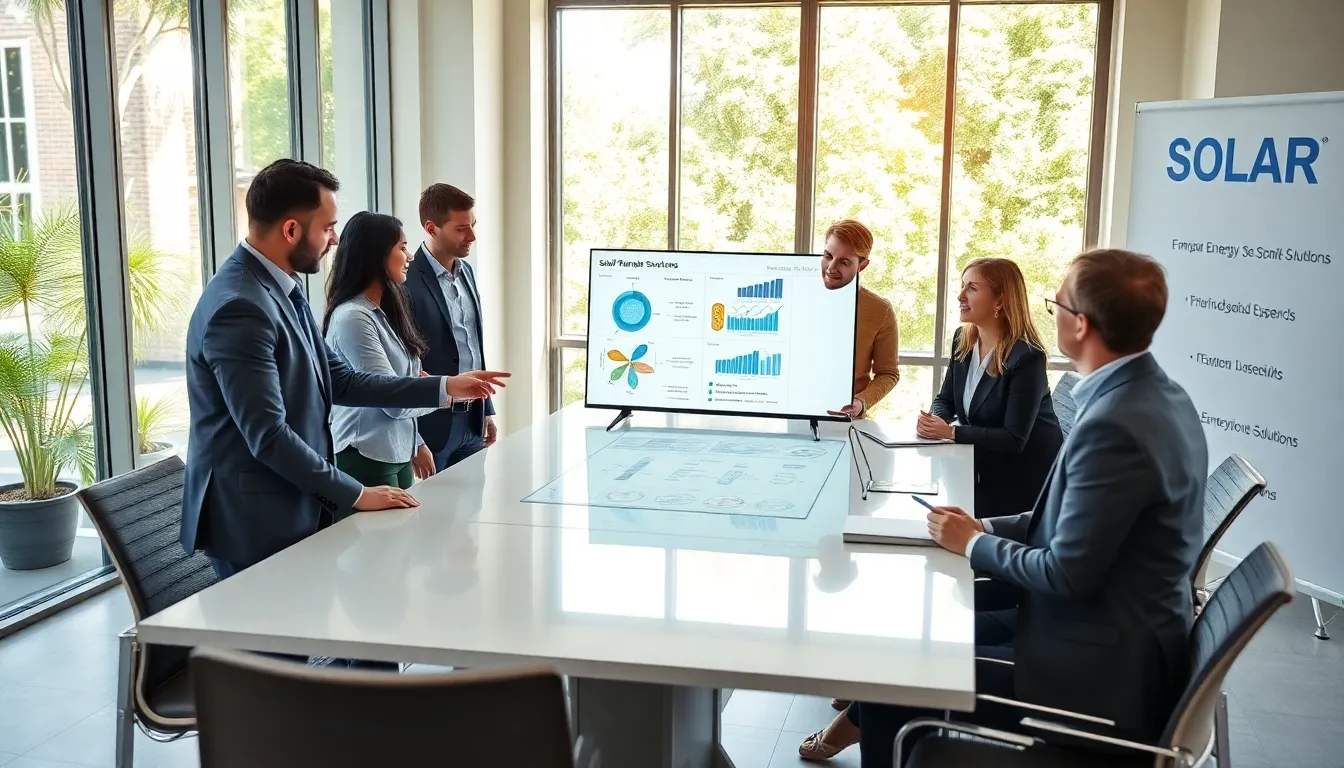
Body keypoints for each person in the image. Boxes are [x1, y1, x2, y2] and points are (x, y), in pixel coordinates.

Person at [801, 248, 1207, 768]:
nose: (1050, 312)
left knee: (893, 672)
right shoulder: (1156, 396)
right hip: (1096, 634)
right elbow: (1062, 528)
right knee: (904, 638)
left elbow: (1065, 573)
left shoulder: (1116, 425)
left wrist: (971, 544)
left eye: (1056, 303)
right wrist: (980, 527)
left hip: (1086, 677)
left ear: (1079, 325)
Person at [180, 159, 509, 583]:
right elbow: (267, 435)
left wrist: (446, 388)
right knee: (277, 649)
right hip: (253, 518)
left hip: (287, 504)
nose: (335, 240)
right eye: (328, 227)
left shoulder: (281, 289)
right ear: (292, 230)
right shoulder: (241, 307)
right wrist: (355, 494)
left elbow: (343, 380)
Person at [916, 257, 1063, 519]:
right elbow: (946, 398)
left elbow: (1014, 438)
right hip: (980, 464)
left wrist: (951, 432)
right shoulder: (963, 339)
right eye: (962, 286)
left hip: (1020, 484)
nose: (960, 296)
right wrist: (936, 419)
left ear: (1000, 301)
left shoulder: (1027, 357)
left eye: (972, 288)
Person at [324, 211, 439, 501]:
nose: (410, 256)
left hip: (396, 450)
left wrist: (416, 441)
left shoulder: (385, 311)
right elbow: (392, 399)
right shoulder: (353, 317)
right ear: (375, 254)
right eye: (402, 247)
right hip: (366, 455)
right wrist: (444, 391)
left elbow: (403, 385)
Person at [406, 183, 497, 471]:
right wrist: (413, 438)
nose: (472, 236)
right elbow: (402, 366)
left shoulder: (466, 272)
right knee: (432, 515)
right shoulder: (406, 280)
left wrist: (487, 410)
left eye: (472, 225)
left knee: (473, 513)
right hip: (430, 427)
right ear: (432, 228)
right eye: (461, 229)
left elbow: (473, 345)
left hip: (472, 422)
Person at [820, 220, 899, 418]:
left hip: (846, 420)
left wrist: (861, 402)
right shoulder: (795, 295)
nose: (831, 267)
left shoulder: (880, 310)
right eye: (828, 256)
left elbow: (888, 373)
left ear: (862, 265)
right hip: (790, 416)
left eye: (844, 262)